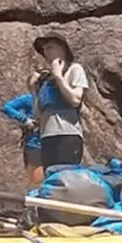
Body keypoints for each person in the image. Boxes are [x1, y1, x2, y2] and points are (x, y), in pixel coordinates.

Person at [30, 31, 89, 170]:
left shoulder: (74, 69)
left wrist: (59, 77)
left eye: (50, 47)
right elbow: (38, 113)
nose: (46, 51)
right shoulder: (44, 78)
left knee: (67, 177)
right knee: (51, 178)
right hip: (47, 136)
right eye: (44, 49)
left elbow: (75, 99)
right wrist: (33, 89)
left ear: (62, 48)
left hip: (67, 134)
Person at [0, 87, 42, 187]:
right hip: (35, 145)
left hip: (54, 144)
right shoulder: (30, 99)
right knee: (36, 181)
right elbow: (7, 107)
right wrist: (24, 119)